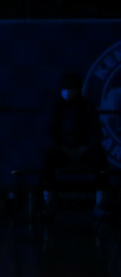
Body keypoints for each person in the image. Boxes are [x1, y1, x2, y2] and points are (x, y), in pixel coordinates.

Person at [42, 71, 108, 217]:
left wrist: (85, 147)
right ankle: (49, 202)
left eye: (71, 87)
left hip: (84, 150)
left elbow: (95, 131)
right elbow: (49, 132)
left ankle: (101, 203)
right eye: (65, 87)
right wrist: (63, 148)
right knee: (48, 158)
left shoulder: (87, 107)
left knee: (101, 159)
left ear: (78, 89)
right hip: (62, 150)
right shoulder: (56, 107)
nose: (68, 91)